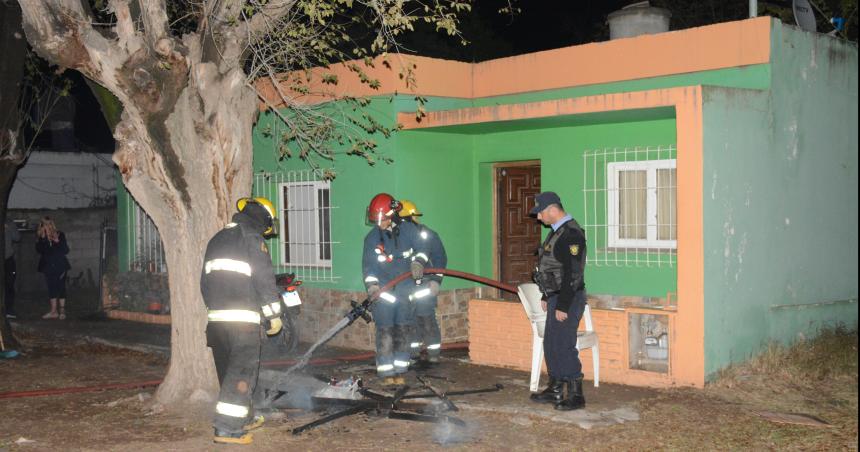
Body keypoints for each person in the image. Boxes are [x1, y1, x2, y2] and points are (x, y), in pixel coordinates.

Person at [201, 197, 284, 445]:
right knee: (242, 374)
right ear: (262, 218)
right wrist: (273, 315)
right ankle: (226, 429)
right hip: (243, 323)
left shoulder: (217, 239)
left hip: (216, 323)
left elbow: (204, 283)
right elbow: (264, 280)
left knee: (230, 374)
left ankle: (244, 418)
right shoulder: (252, 239)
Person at [528, 191, 588, 411]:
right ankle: (555, 389)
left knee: (563, 344)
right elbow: (554, 267)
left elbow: (573, 274)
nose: (539, 218)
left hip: (569, 299)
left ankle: (576, 395)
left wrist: (562, 305)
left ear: (553, 209)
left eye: (541, 213)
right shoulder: (557, 232)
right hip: (556, 297)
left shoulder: (571, 234)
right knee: (551, 343)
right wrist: (547, 295)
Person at [362, 193, 430, 385]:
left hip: (405, 290)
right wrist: (372, 286)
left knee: (403, 330)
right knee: (385, 331)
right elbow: (369, 266)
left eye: (382, 220)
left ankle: (401, 370)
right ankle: (385, 372)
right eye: (377, 220)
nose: (379, 224)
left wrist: (418, 261)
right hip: (383, 293)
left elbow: (423, 248)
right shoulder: (372, 238)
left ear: (392, 215)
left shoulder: (409, 231)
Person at [398, 199, 447, 365]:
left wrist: (436, 281)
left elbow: (440, 259)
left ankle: (433, 353)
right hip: (406, 286)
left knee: (426, 318)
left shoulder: (428, 234)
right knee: (409, 319)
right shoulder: (397, 237)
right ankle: (413, 353)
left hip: (425, 285)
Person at [36, 217, 71, 320]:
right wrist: (42, 239)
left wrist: (57, 241)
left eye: (49, 224)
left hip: (60, 265)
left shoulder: (60, 234)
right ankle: (53, 311)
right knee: (51, 288)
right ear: (42, 226)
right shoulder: (40, 237)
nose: (47, 226)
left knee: (60, 287)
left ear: (52, 224)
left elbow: (66, 250)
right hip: (48, 266)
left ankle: (62, 310)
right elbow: (39, 251)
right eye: (44, 224)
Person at [4, 218, 20, 319]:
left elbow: (17, 238)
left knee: (9, 285)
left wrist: (8, 229)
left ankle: (8, 309)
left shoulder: (9, 223)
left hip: (8, 260)